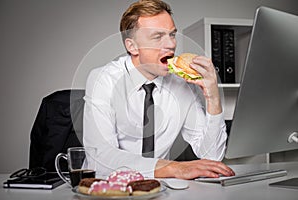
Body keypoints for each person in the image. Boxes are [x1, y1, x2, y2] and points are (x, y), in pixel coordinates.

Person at [83, 0, 235, 179]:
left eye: (172, 35)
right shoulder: (104, 79)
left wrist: (213, 97)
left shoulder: (182, 82)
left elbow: (212, 157)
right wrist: (175, 168)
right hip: (108, 188)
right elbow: (100, 160)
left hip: (161, 189)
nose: (171, 44)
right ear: (132, 46)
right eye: (157, 37)